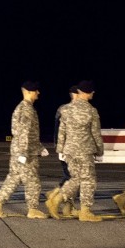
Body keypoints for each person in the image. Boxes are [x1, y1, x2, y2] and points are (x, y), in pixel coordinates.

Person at [0, 81, 49, 219]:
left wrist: (40, 147)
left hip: (20, 150)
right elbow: (24, 133)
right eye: (35, 90)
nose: (38, 93)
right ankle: (33, 209)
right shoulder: (27, 109)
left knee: (14, 178)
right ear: (27, 92)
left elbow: (28, 133)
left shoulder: (23, 108)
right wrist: (23, 153)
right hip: (25, 153)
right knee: (33, 181)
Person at [47, 80, 103, 222]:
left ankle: (57, 199)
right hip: (84, 150)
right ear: (89, 92)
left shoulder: (66, 109)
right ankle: (85, 211)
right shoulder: (91, 110)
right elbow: (95, 133)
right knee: (88, 180)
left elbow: (62, 131)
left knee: (76, 178)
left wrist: (60, 149)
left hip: (69, 150)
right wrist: (100, 150)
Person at [46, 85, 78, 218]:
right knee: (73, 177)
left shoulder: (62, 109)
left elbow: (56, 130)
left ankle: (66, 206)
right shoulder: (69, 110)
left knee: (70, 176)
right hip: (69, 149)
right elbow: (59, 130)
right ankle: (55, 196)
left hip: (64, 147)